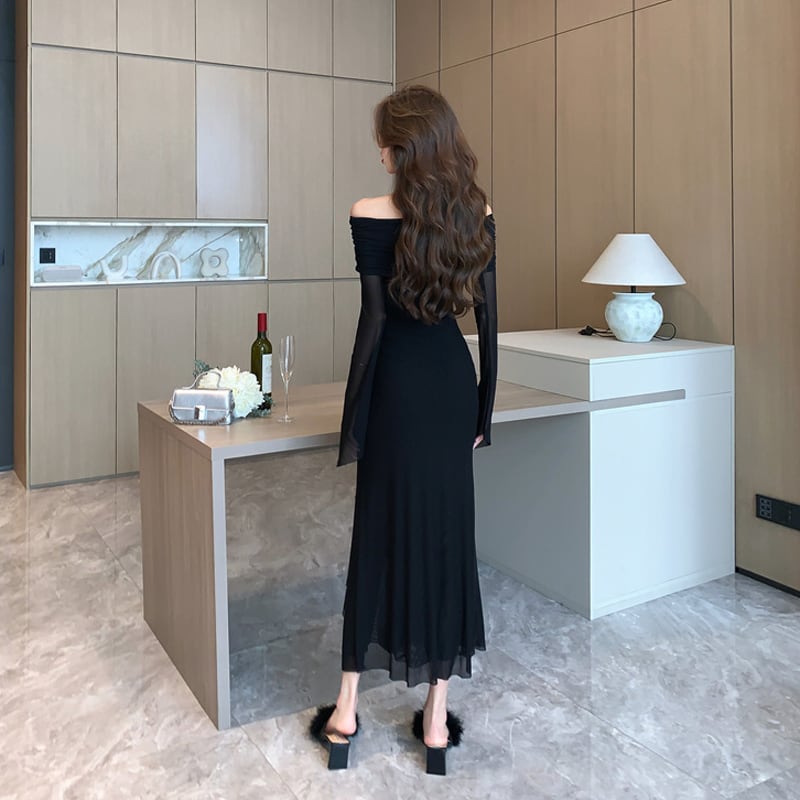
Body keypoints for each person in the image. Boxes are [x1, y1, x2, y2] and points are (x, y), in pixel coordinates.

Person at [309, 85, 498, 776]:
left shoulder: (368, 213)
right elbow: (489, 324)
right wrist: (482, 414)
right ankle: (437, 722)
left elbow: (373, 326)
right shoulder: (476, 213)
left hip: (395, 390)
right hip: (451, 391)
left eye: (383, 142)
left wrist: (354, 419)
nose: (379, 153)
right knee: (449, 542)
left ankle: (345, 713)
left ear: (402, 148)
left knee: (375, 539)